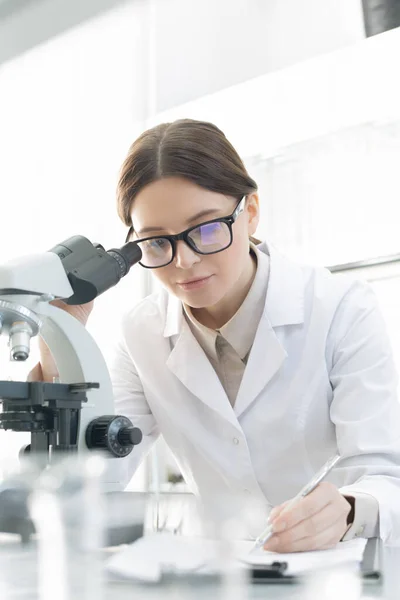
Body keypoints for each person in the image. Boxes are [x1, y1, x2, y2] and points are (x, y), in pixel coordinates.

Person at [33, 118, 400, 551]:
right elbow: (90, 481)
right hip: (221, 576)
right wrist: (60, 344)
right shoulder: (142, 333)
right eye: (155, 243)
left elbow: (385, 473)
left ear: (251, 212)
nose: (183, 262)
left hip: (338, 572)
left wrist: (348, 509)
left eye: (206, 229)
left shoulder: (341, 308)